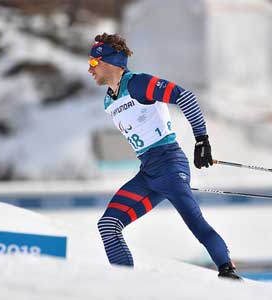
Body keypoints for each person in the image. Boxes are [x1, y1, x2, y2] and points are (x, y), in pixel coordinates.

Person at [88, 33, 240, 280]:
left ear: (110, 61)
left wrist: (202, 140)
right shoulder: (109, 100)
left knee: (195, 222)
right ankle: (126, 285)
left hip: (170, 164)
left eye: (94, 63)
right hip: (148, 172)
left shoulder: (138, 84)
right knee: (108, 225)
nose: (89, 69)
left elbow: (185, 96)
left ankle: (228, 271)